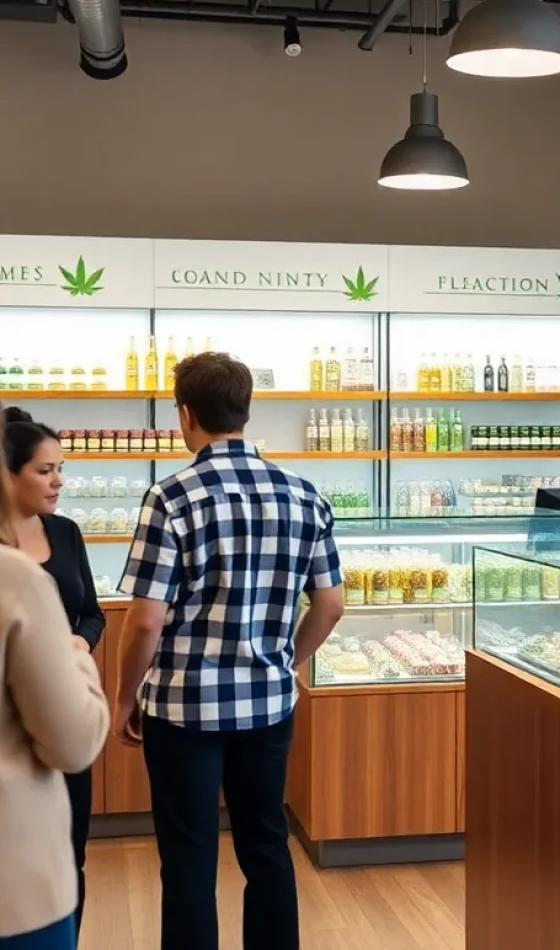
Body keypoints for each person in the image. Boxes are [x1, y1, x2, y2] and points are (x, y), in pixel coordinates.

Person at [115, 352, 345, 950]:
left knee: (188, 853)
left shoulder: (170, 496)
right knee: (266, 844)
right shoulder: (303, 494)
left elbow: (144, 621)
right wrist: (287, 663)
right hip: (268, 705)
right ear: (245, 409)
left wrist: (125, 697)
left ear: (185, 414)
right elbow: (331, 604)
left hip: (183, 708)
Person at [0, 406, 110, 950]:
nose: (59, 481)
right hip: (36, 740)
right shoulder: (12, 576)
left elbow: (92, 610)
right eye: (45, 470)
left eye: (60, 469)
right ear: (7, 472)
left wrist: (77, 642)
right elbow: (74, 739)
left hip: (60, 703)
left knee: (71, 853)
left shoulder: (65, 534)